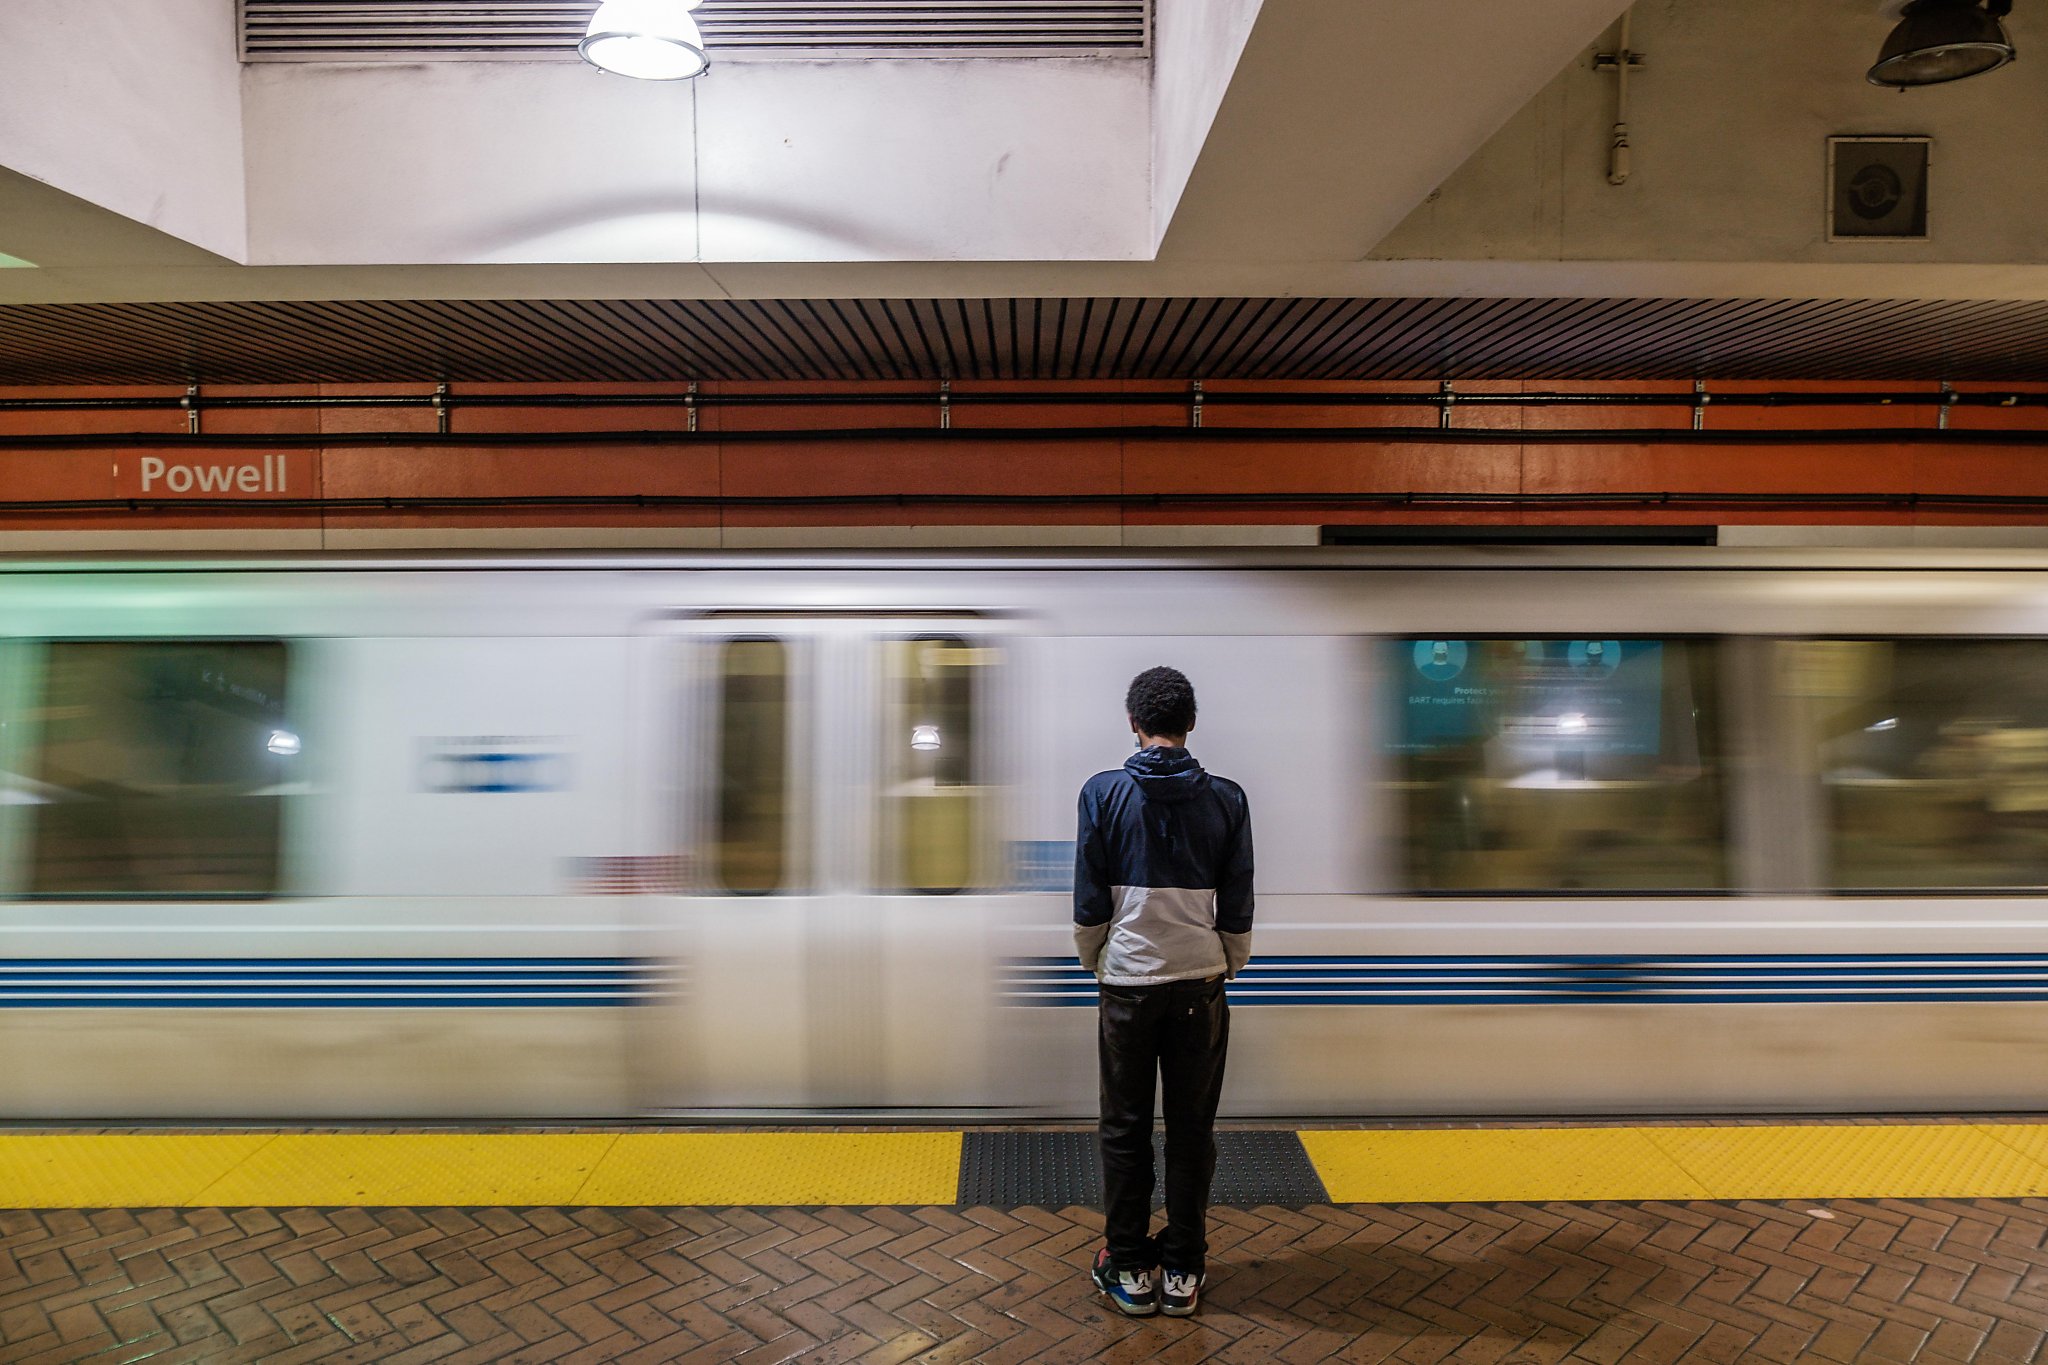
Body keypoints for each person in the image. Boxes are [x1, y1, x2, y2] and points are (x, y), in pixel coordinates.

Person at [1074, 665, 1254, 1318]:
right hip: (1198, 986)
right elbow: (1237, 903)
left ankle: (1128, 1267)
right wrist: (1227, 963)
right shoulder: (1229, 799)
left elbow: (1089, 901)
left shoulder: (1101, 793)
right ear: (1191, 723)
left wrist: (1097, 956)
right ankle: (1182, 1268)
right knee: (1190, 1129)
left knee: (1124, 1127)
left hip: (1126, 984)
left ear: (1133, 723)